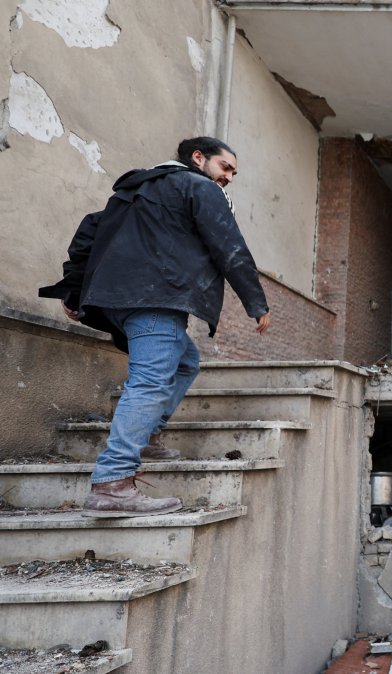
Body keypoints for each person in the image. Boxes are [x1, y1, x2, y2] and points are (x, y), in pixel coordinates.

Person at [39, 137, 271, 518]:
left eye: (233, 172)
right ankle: (113, 483)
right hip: (158, 299)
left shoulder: (137, 188)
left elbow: (90, 231)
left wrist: (74, 289)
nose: (229, 177)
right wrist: (256, 303)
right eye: (226, 167)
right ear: (198, 158)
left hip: (121, 301)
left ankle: (147, 433)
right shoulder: (199, 187)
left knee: (185, 361)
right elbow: (229, 246)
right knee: (149, 382)